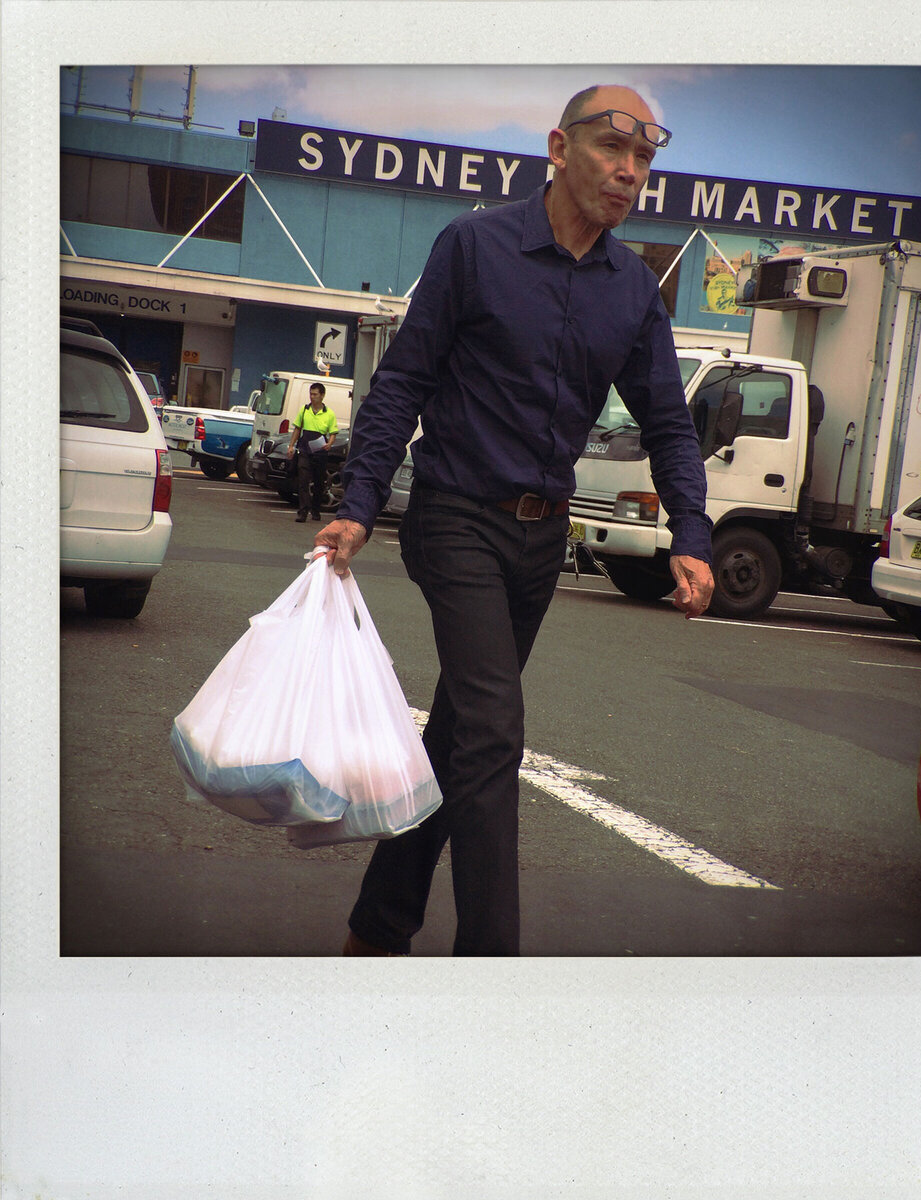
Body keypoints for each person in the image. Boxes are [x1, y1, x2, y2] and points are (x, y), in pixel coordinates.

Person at [315, 84, 715, 956]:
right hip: (456, 518)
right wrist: (357, 506)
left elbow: (668, 423)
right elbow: (404, 383)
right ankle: (492, 973)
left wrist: (692, 533)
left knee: (460, 732)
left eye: (644, 158)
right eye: (613, 148)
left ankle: (377, 930)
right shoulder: (475, 246)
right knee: (495, 735)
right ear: (559, 149)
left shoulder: (633, 292)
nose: (628, 170)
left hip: (542, 541)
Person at [287, 383, 338, 521]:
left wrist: (329, 444)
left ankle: (315, 509)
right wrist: (291, 446)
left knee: (318, 482)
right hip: (304, 448)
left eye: (315, 394)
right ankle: (303, 512)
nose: (312, 396)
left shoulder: (329, 413)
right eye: (311, 394)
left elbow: (333, 432)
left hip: (320, 450)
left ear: (322, 395)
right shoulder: (304, 410)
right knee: (303, 480)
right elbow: (297, 429)